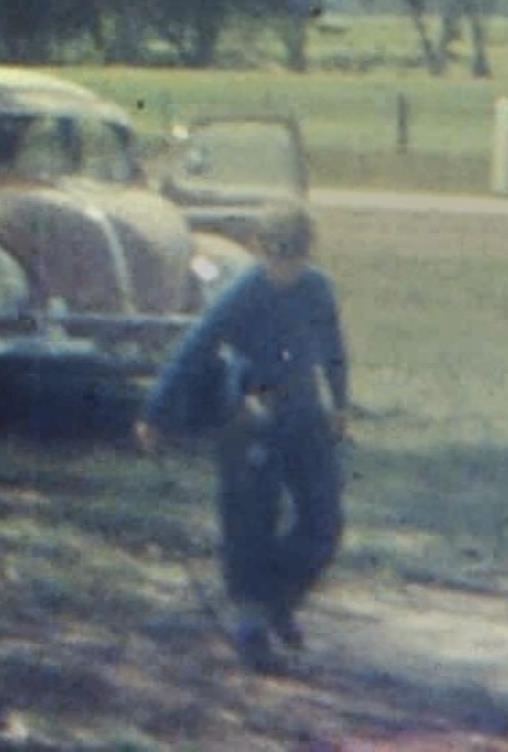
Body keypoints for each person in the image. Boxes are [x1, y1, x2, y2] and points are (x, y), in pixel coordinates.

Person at [135, 202, 350, 672]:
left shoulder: (318, 290)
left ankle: (279, 596)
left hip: (303, 411)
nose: (285, 267)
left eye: (294, 256)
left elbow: (333, 349)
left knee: (324, 521)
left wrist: (341, 401)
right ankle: (251, 620)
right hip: (249, 413)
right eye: (276, 255)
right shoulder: (244, 292)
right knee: (250, 518)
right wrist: (156, 412)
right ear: (260, 251)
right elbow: (194, 348)